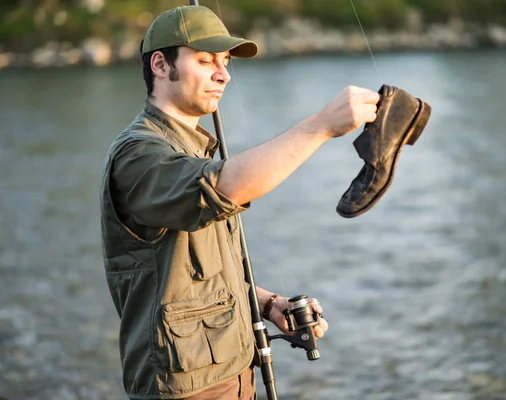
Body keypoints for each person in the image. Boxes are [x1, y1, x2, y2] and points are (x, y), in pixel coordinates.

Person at [100, 5, 380, 400]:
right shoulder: (139, 155)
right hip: (187, 390)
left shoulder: (190, 149)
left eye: (226, 61)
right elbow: (223, 187)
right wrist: (321, 125)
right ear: (161, 65)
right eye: (205, 60)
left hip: (233, 375)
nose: (223, 74)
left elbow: (194, 273)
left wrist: (267, 305)